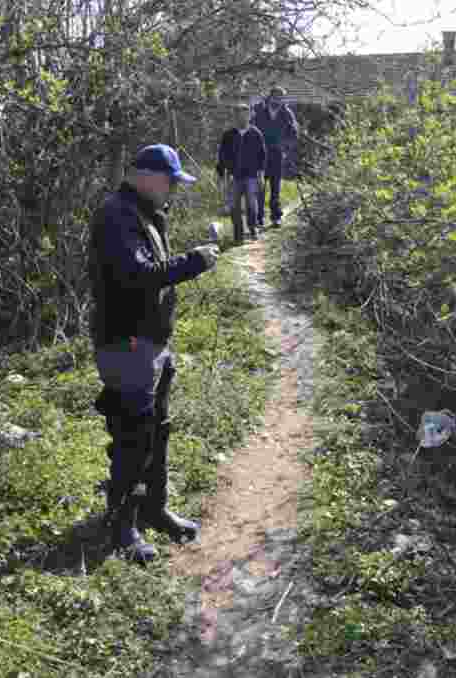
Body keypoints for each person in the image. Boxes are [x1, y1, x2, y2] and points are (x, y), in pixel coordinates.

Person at [87, 143, 221, 564]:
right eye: (170, 182)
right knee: (132, 437)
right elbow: (138, 277)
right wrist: (193, 262)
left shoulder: (142, 213)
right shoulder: (116, 216)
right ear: (145, 176)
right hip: (126, 344)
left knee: (155, 431)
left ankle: (154, 508)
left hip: (151, 343)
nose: (172, 191)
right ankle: (122, 527)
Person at [216, 103, 267, 243]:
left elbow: (262, 156)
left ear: (249, 116)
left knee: (251, 203)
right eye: (238, 115)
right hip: (234, 176)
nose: (242, 118)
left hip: (251, 175)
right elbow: (221, 156)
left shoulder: (256, 134)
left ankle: (252, 229)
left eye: (245, 114)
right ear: (235, 117)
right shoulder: (228, 135)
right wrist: (221, 177)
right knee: (234, 206)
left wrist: (261, 175)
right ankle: (238, 235)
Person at [252, 87, 299, 228]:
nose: (278, 100)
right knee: (259, 188)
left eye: (280, 98)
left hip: (277, 155)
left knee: (275, 188)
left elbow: (294, 134)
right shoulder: (259, 111)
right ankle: (258, 219)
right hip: (260, 154)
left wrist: (285, 148)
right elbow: (250, 129)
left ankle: (275, 217)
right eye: (275, 97)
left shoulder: (287, 113)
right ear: (270, 97)